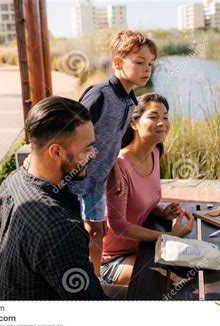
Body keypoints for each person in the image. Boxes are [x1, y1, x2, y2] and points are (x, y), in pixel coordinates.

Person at [0, 96, 120, 300]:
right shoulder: (58, 228)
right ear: (57, 152)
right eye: (87, 149)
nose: (93, 155)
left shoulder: (12, 182)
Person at [67, 30, 158, 277]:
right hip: (74, 179)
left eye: (150, 63)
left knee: (98, 231)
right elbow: (70, 131)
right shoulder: (100, 94)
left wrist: (114, 168)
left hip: (97, 180)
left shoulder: (130, 101)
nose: (146, 68)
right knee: (73, 233)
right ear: (118, 63)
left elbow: (114, 140)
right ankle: (73, 278)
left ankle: (94, 279)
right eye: (139, 62)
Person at [101, 93, 195, 285]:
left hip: (143, 247)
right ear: (134, 123)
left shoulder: (155, 152)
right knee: (169, 282)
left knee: (195, 267)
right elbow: (117, 225)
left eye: (165, 117)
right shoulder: (119, 167)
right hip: (113, 259)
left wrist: (162, 212)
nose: (162, 122)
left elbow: (136, 200)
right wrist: (168, 237)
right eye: (153, 117)